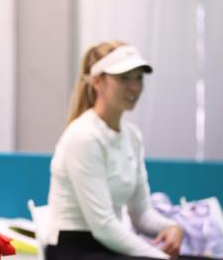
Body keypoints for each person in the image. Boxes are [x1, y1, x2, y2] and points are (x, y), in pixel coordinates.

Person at [46, 41, 213, 260]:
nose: (134, 87)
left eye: (138, 78)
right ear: (97, 82)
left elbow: (141, 214)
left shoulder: (132, 136)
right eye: (124, 78)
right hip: (73, 250)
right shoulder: (83, 137)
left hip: (109, 247)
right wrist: (158, 256)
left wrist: (173, 227)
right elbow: (103, 225)